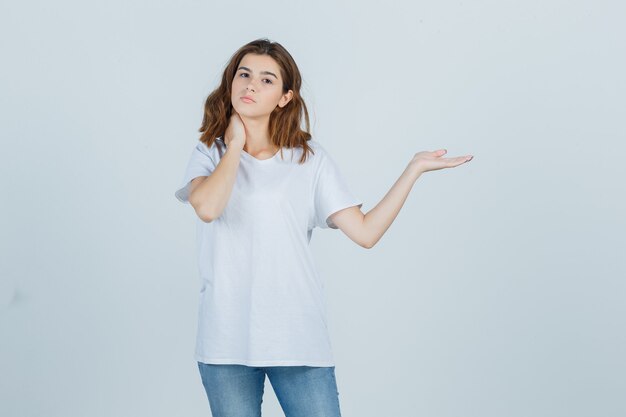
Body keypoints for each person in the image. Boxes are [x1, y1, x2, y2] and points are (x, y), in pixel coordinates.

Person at [174, 38, 473, 417]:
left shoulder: (308, 159)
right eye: (244, 74)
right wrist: (234, 145)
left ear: (285, 97)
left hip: (296, 338)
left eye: (267, 80)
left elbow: (365, 233)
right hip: (225, 340)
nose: (250, 85)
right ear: (231, 81)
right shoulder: (209, 152)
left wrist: (412, 170)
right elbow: (208, 208)